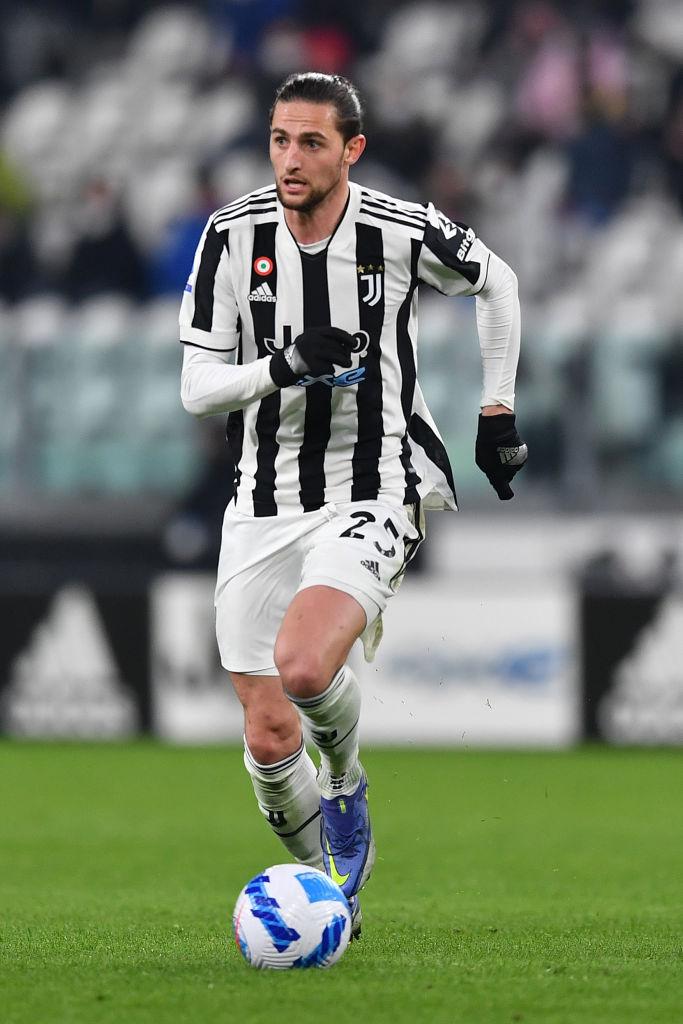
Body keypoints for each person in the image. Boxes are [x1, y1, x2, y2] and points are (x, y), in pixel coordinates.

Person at [179, 72, 526, 937]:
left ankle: (342, 777)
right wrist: (286, 365)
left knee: (303, 668)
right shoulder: (231, 235)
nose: (290, 159)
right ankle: (331, 898)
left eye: (311, 142)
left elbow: (498, 283)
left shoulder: (397, 230)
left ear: (351, 150)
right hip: (263, 498)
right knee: (266, 734)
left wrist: (496, 410)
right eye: (279, 140)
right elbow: (196, 388)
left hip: (377, 480)